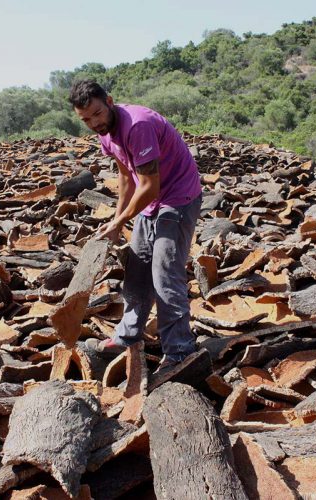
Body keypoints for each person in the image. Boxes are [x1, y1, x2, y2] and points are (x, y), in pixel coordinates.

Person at [71, 80, 202, 371]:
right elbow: (126, 178)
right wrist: (117, 222)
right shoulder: (106, 133)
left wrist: (120, 219)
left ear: (110, 101)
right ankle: (128, 335)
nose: (94, 122)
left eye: (97, 113)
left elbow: (150, 187)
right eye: (86, 119)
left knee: (165, 274)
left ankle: (179, 351)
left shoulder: (137, 126)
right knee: (138, 270)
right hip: (150, 201)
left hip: (178, 197)